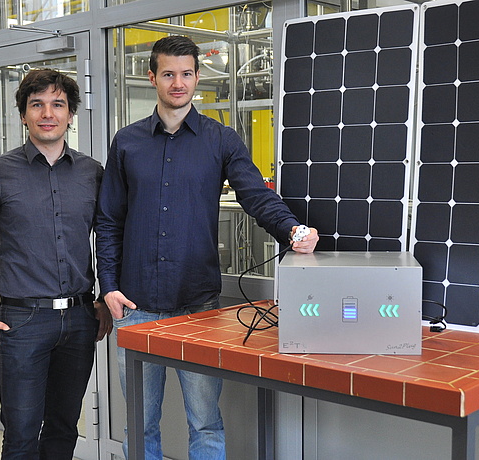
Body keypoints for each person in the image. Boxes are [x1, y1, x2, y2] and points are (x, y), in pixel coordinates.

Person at [96, 35, 319, 460]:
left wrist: (292, 231)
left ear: (197, 77)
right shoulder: (126, 142)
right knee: (140, 424)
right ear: (153, 78)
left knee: (205, 421)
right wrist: (108, 288)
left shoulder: (221, 139)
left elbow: (255, 194)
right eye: (167, 74)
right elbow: (108, 221)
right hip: (134, 306)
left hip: (198, 307)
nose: (177, 83)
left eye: (185, 74)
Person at [0, 68, 113, 459]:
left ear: (71, 114)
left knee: (63, 427)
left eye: (58, 104)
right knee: (20, 433)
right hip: (21, 322)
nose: (47, 113)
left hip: (79, 318)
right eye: (37, 104)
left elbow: (108, 237)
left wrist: (106, 295)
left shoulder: (93, 174)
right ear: (23, 115)